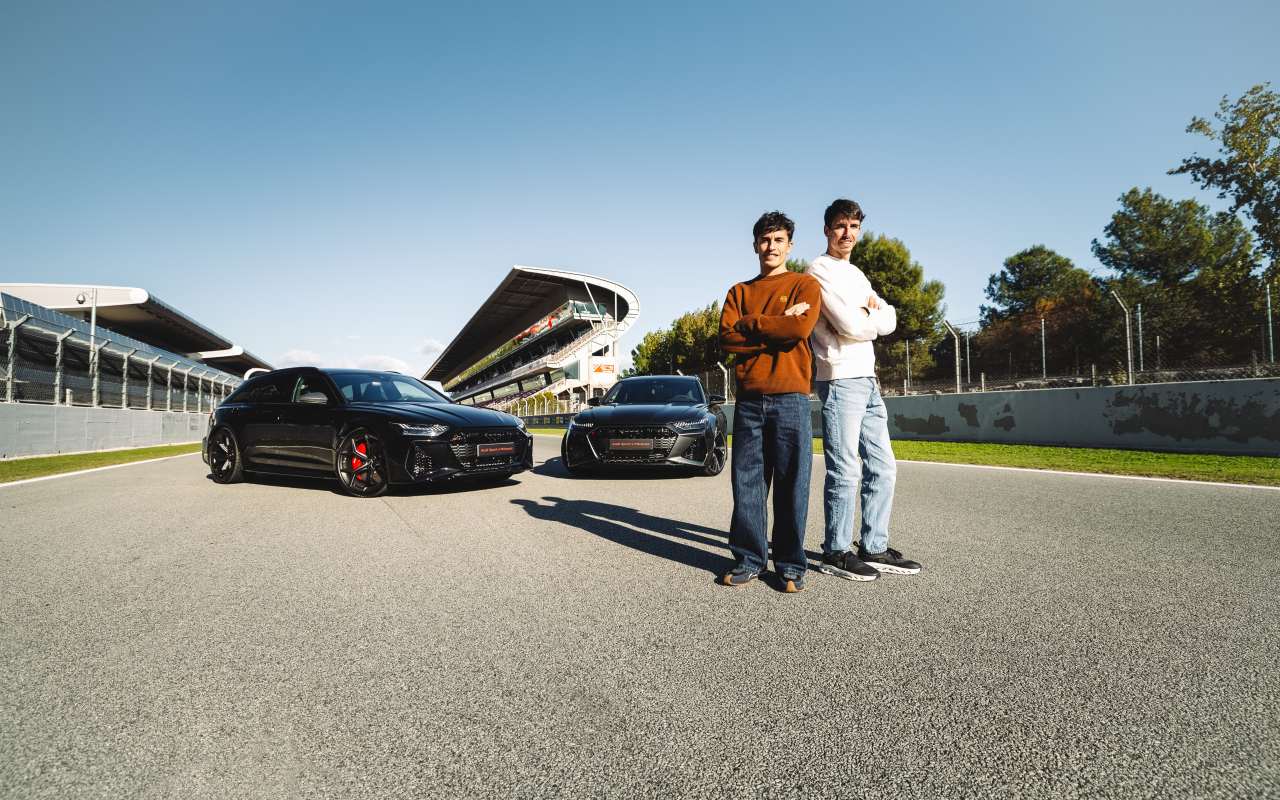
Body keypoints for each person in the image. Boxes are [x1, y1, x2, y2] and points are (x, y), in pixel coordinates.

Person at [805, 198, 920, 580]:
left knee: (883, 466)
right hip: (840, 378)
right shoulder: (819, 270)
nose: (847, 233)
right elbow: (849, 325)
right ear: (827, 230)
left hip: (868, 380)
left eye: (854, 227)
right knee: (845, 469)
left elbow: (890, 318)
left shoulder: (857, 274)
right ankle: (836, 551)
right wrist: (870, 315)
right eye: (840, 226)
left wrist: (868, 315)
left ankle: (873, 546)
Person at [718, 211, 822, 593]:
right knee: (747, 482)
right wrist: (776, 322)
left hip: (791, 397)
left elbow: (799, 328)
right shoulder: (738, 292)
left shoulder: (804, 285)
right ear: (755, 245)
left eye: (778, 240)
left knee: (792, 483)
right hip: (749, 400)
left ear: (789, 246)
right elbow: (727, 339)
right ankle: (749, 559)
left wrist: (751, 323)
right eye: (764, 240)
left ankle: (790, 565)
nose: (771, 246)